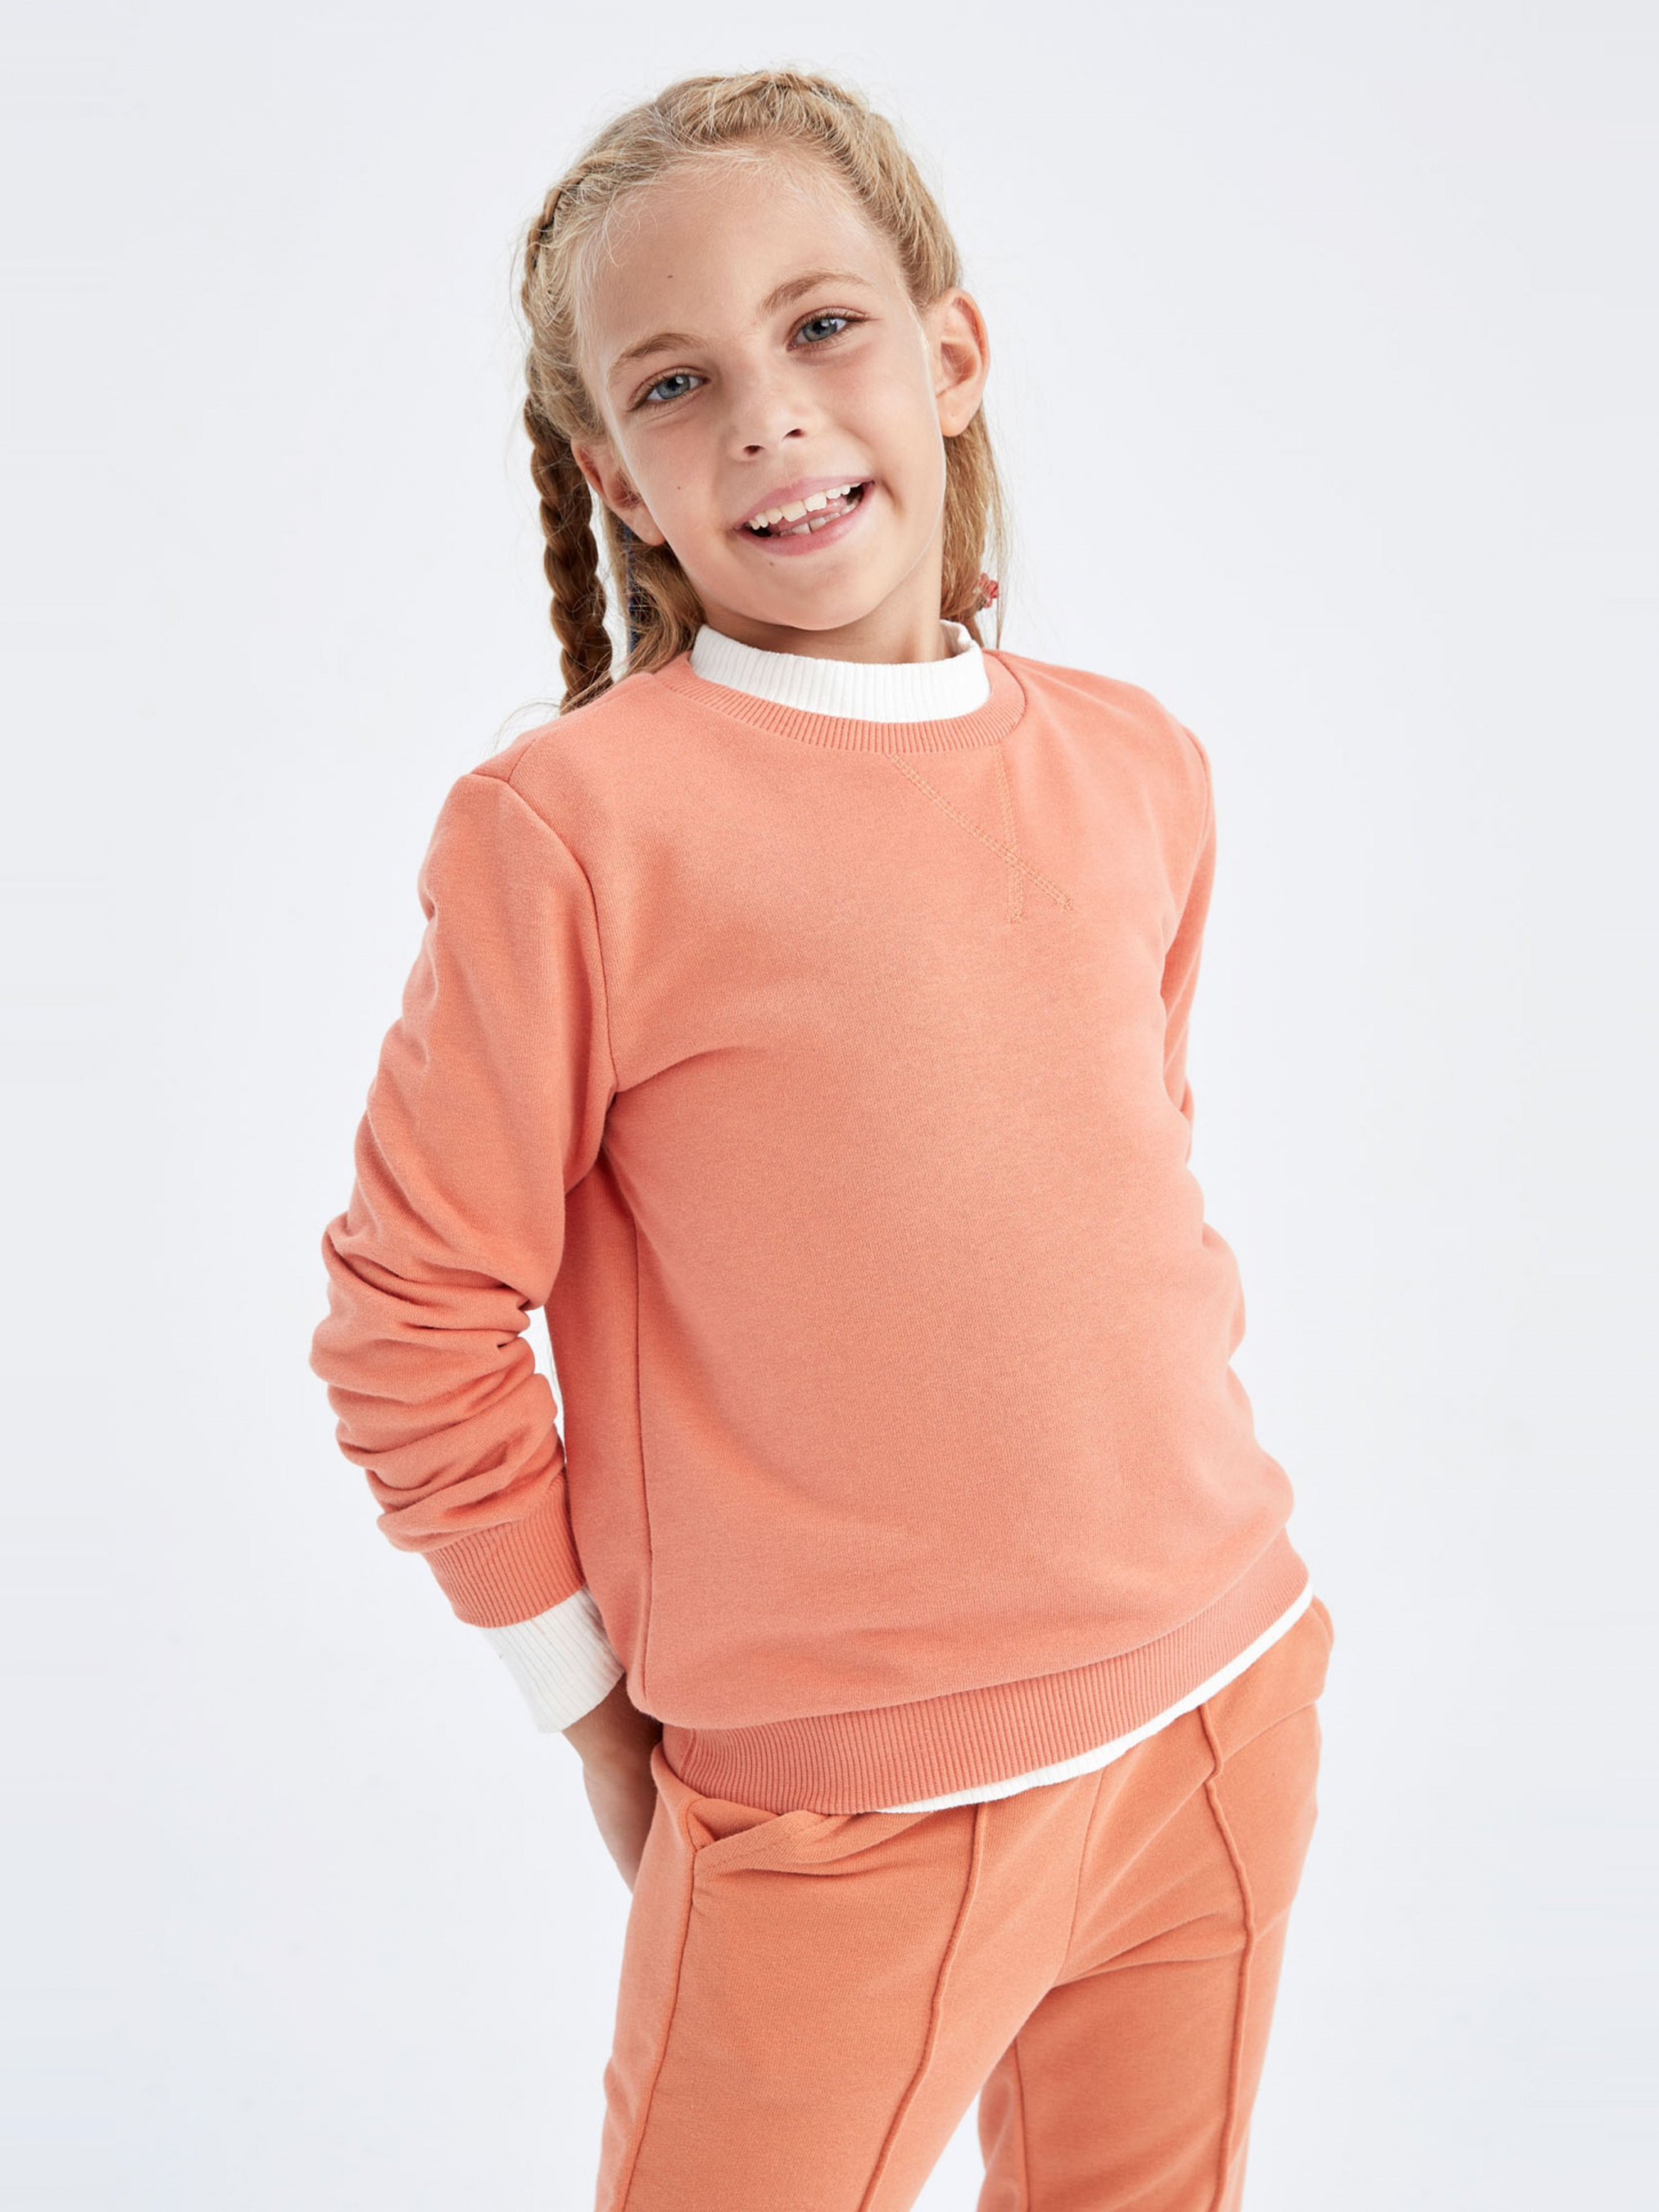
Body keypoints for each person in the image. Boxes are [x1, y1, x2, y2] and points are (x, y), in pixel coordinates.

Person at [310, 66, 1336, 2212]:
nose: (768, 415)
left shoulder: (1139, 764)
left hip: (1222, 1699)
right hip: (843, 1802)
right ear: (618, 478)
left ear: (949, 356)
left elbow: (1109, 1180)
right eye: (677, 381)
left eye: (823, 325)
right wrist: (595, 1714)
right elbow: (414, 1316)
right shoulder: (578, 829)